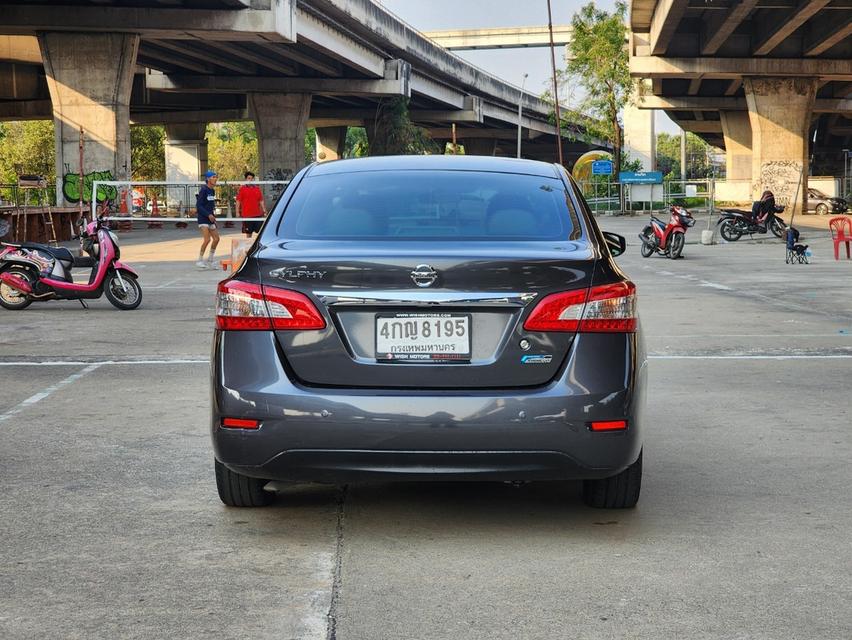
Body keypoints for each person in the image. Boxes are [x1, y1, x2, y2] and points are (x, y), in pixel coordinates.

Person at [196, 170, 219, 269]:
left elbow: (210, 205)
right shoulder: (203, 190)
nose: (215, 179)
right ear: (208, 179)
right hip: (203, 218)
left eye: (216, 177)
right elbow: (199, 206)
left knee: (217, 239)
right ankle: (200, 260)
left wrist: (213, 216)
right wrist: (208, 214)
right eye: (213, 177)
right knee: (207, 239)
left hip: (210, 218)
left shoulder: (212, 191)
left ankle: (210, 259)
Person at [235, 171, 267, 238]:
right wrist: (237, 212)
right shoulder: (242, 189)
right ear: (246, 179)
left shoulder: (257, 189)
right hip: (247, 215)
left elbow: (261, 201)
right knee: (249, 233)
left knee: (261, 232)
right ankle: (249, 247)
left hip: (257, 215)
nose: (250, 180)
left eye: (252, 178)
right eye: (249, 178)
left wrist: (264, 210)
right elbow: (238, 201)